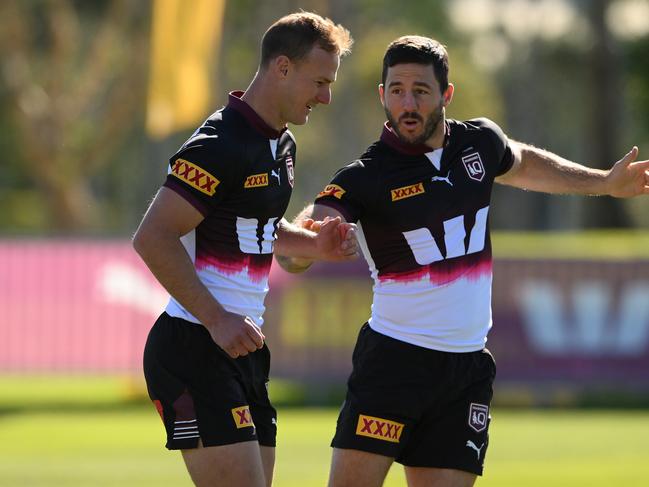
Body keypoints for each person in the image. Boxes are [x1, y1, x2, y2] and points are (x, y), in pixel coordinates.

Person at [279, 35, 649, 487]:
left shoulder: (480, 142)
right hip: (394, 365)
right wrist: (313, 246)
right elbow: (301, 241)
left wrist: (603, 183)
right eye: (395, 90)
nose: (407, 103)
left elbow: (524, 162)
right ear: (381, 95)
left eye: (421, 90)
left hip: (465, 371)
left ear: (446, 95)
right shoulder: (365, 176)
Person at [132, 12, 354, 487]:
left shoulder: (282, 145)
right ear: (282, 67)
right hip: (196, 343)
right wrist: (216, 318)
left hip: (242, 348)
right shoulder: (219, 143)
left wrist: (314, 243)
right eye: (319, 81)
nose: (326, 96)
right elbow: (153, 237)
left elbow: (256, 229)